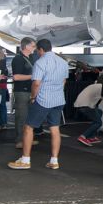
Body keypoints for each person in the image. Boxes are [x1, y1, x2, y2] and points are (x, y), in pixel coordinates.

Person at [7, 39, 67, 171]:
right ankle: (54, 160)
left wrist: (33, 97)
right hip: (58, 100)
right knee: (55, 129)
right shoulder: (63, 62)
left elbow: (36, 83)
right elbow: (63, 81)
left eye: (36, 49)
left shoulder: (41, 62)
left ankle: (25, 160)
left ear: (40, 50)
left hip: (43, 99)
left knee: (28, 128)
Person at [10, 36, 38, 150]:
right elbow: (16, 77)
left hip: (29, 90)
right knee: (21, 116)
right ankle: (19, 140)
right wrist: (33, 76)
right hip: (21, 91)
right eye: (33, 45)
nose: (34, 48)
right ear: (26, 46)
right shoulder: (18, 59)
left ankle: (27, 139)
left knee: (29, 117)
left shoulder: (30, 58)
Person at [73, 79, 103, 145]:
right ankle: (83, 136)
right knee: (98, 123)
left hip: (81, 104)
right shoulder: (102, 87)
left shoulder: (96, 86)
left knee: (99, 112)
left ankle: (91, 137)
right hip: (85, 105)